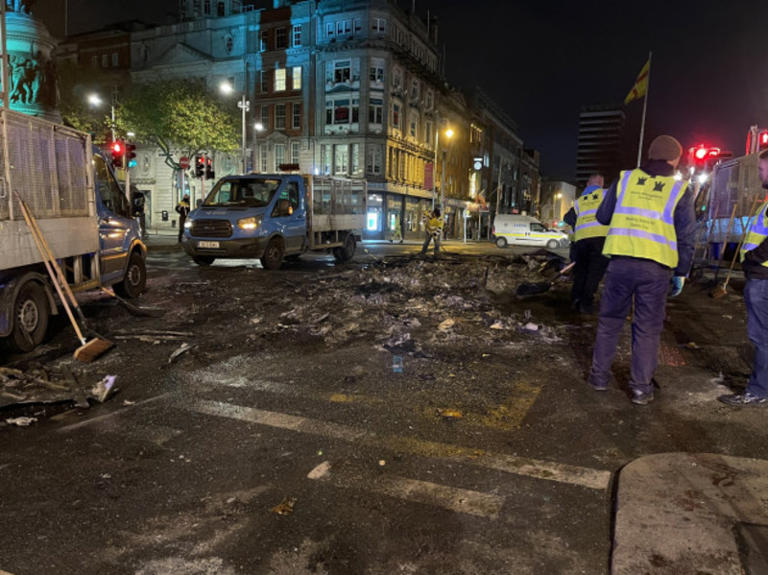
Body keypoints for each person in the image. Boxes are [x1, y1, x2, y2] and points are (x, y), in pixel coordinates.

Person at [587, 135, 697, 405]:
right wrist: (682, 271)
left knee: (610, 323)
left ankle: (598, 377)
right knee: (647, 329)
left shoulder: (624, 179)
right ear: (674, 160)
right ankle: (640, 389)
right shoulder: (680, 190)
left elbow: (602, 216)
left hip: (620, 264)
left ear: (649, 155)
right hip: (655, 270)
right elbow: (687, 236)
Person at [719, 149, 768, 407]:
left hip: (763, 277)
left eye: (762, 168)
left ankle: (759, 391)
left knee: (762, 337)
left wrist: (752, 259)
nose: (760, 173)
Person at [563, 174, 610, 314]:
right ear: (601, 183)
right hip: (601, 238)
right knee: (594, 274)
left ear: (589, 183)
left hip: (582, 240)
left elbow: (569, 217)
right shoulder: (607, 194)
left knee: (581, 272)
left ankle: (575, 299)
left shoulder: (580, 201)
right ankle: (586, 303)